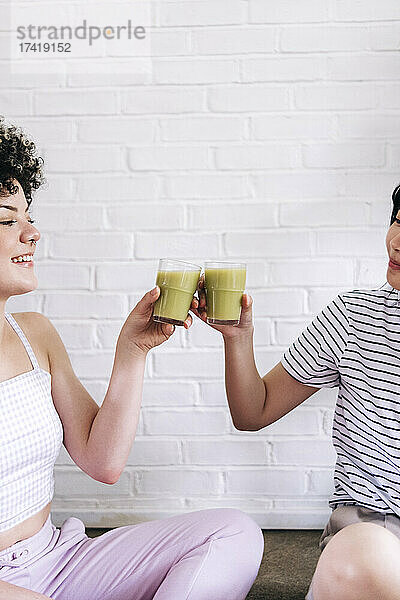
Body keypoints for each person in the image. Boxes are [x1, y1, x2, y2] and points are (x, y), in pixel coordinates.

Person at [0, 117, 264, 600]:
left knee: (233, 532)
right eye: (6, 219)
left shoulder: (33, 333)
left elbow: (103, 462)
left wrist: (132, 353)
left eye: (28, 215)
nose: (32, 232)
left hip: (57, 560)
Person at [192, 183, 400, 600]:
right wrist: (237, 338)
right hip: (369, 530)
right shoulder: (353, 316)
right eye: (398, 221)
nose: (396, 241)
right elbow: (254, 412)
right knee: (367, 552)